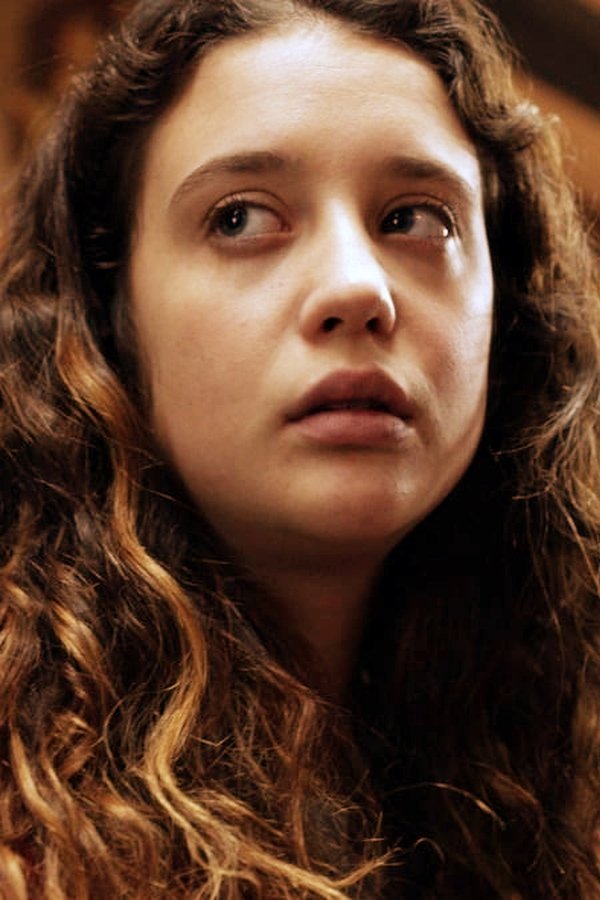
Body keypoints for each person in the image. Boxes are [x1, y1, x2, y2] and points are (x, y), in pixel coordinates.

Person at [0, 0, 599, 896]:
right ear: (107, 318)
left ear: (505, 317)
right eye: (241, 218)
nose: (358, 288)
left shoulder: (555, 777)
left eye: (417, 218)